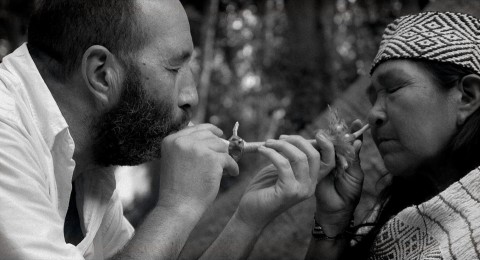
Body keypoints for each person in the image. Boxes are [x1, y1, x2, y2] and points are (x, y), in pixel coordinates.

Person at [0, 0, 328, 259]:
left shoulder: (89, 164)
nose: (191, 97)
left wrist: (246, 220)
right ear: (102, 74)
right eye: (174, 67)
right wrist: (176, 207)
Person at [304, 10, 480, 260]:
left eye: (394, 88)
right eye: (374, 98)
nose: (373, 115)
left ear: (467, 97)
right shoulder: (391, 221)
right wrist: (332, 221)